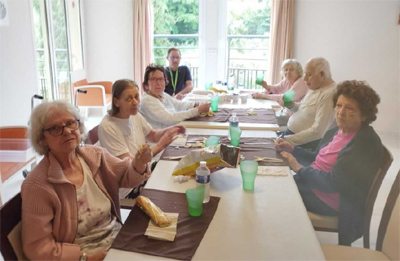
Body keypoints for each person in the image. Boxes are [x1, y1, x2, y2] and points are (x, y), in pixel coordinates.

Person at [21, 101, 152, 260]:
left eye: (70, 123)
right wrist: (84, 258)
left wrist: (138, 163)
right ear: (42, 139)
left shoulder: (95, 156)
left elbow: (126, 175)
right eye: (55, 128)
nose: (67, 131)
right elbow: (38, 248)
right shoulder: (37, 185)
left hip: (119, 240)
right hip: (85, 254)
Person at [276, 80, 384, 245]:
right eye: (339, 105)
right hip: (314, 184)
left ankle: (286, 244)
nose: (341, 112)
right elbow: (318, 157)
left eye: (349, 108)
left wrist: (298, 168)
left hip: (331, 200)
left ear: (364, 115)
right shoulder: (338, 131)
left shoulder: (363, 143)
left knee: (277, 193)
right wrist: (293, 149)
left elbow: (334, 183)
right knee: (276, 181)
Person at [98, 79, 185, 198]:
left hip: (145, 172)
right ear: (116, 102)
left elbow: (153, 135)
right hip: (128, 188)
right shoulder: (108, 127)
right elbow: (131, 166)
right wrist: (161, 145)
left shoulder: (134, 114)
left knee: (181, 171)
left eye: (136, 97)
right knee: (175, 189)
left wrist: (170, 129)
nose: (135, 102)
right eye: (128, 99)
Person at [279, 57, 337, 150]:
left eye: (309, 74)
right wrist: (291, 105)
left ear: (322, 74)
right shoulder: (315, 87)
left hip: (302, 144)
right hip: (291, 136)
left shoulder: (329, 94)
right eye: (305, 73)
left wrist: (289, 140)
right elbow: (302, 109)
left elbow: (318, 131)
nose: (305, 79)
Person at [140, 64, 210, 129]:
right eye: (154, 79)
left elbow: (179, 105)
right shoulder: (147, 100)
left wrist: (196, 104)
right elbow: (170, 119)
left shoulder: (163, 95)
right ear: (146, 85)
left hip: (170, 132)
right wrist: (197, 110)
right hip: (159, 139)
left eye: (161, 79)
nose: (158, 83)